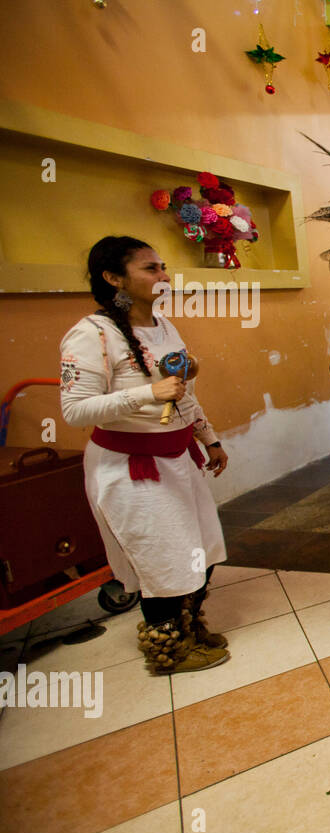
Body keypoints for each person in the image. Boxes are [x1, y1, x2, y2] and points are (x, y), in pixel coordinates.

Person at [60, 236, 231, 675]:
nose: (164, 276)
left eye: (163, 267)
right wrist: (146, 393)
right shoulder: (91, 334)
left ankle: (188, 626)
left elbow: (183, 392)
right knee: (163, 557)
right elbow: (75, 410)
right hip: (130, 468)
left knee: (202, 549)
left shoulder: (164, 325)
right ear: (114, 278)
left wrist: (207, 437)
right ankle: (167, 648)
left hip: (178, 458)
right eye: (151, 269)